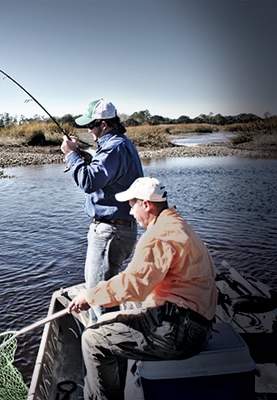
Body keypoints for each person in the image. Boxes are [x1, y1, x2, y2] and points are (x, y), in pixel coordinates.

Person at [68, 177, 218, 400]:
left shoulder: (159, 235)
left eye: (132, 205)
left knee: (93, 339)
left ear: (146, 204)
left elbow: (135, 285)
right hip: (198, 325)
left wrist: (90, 296)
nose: (130, 213)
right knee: (110, 323)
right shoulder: (178, 225)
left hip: (181, 333)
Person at [61, 98, 143, 322]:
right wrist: (85, 157)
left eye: (90, 125)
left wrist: (71, 155)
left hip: (110, 232)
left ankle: (106, 347)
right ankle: (111, 343)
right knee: (106, 293)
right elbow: (106, 174)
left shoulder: (113, 147)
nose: (89, 130)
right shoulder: (121, 144)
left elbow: (89, 181)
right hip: (119, 229)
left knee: (98, 298)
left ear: (103, 124)